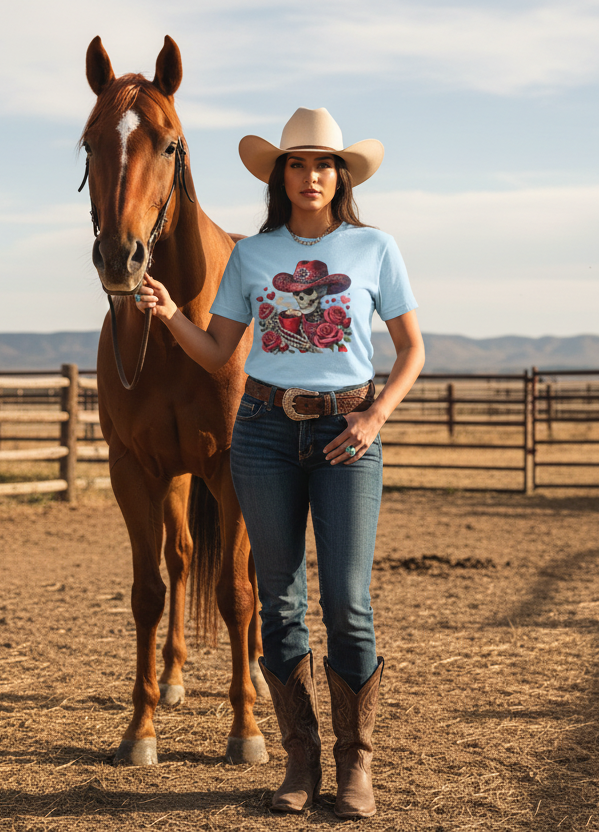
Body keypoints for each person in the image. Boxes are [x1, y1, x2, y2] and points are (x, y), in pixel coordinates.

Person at [134, 107, 424, 818]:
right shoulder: (252, 257)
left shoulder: (376, 248)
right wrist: (172, 314)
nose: (311, 176)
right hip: (263, 433)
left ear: (342, 176)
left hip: (347, 437)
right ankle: (302, 762)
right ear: (280, 176)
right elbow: (218, 352)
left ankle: (358, 764)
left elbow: (413, 350)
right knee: (282, 603)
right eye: (297, 164)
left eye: (324, 164)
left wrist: (375, 415)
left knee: (348, 605)